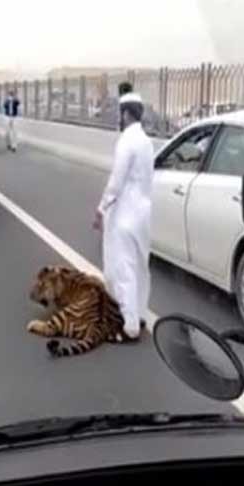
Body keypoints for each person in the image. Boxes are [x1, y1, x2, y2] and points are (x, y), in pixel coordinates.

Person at [93, 92, 154, 339]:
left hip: (124, 214)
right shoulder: (146, 142)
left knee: (123, 267)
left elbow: (116, 182)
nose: (119, 118)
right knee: (140, 267)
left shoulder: (127, 141)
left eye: (120, 114)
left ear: (126, 114)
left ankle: (129, 327)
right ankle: (139, 314)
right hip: (143, 214)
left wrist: (101, 209)